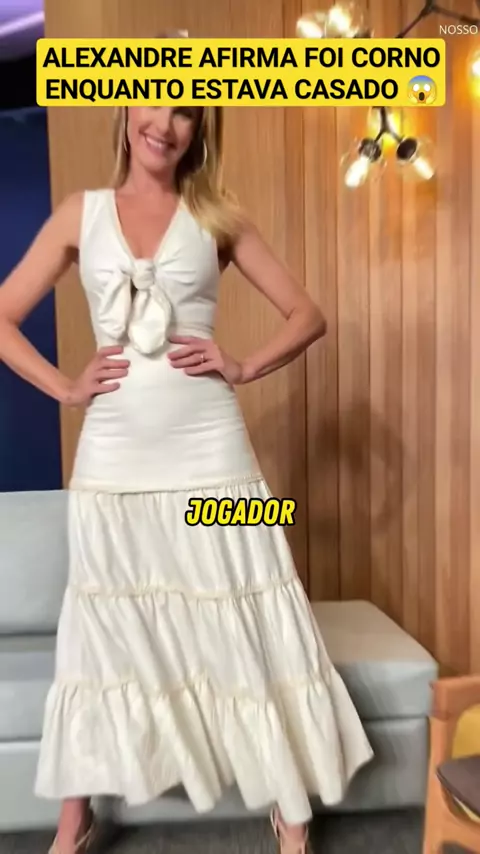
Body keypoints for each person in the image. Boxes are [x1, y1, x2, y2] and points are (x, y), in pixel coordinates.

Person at [0, 101, 373, 854]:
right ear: (126, 109)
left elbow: (307, 314)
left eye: (186, 113)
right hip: (112, 460)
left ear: (201, 130)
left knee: (246, 605)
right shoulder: (80, 213)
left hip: (212, 456)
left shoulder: (217, 215)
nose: (165, 125)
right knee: (103, 625)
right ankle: (75, 818)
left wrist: (243, 364)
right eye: (154, 104)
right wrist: (66, 388)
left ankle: (289, 804)